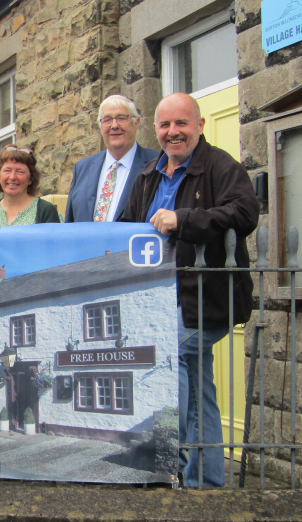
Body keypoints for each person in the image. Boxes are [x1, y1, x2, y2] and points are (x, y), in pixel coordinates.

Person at [120, 93, 259, 487]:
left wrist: (183, 220)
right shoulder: (149, 174)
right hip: (162, 299)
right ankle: (208, 482)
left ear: (199, 125)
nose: (172, 132)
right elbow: (127, 226)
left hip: (207, 297)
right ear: (156, 131)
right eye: (165, 125)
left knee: (171, 356)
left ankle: (168, 458)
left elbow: (246, 211)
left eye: (181, 123)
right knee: (200, 391)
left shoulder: (220, 165)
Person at [65, 95, 158, 223]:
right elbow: (70, 225)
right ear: (100, 126)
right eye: (107, 120)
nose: (114, 125)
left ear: (136, 123)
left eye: (121, 118)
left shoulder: (157, 164)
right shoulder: (82, 168)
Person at [0, 145, 60, 228]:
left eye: (20, 171)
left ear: (31, 179)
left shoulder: (45, 211)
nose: (12, 177)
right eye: (7, 170)